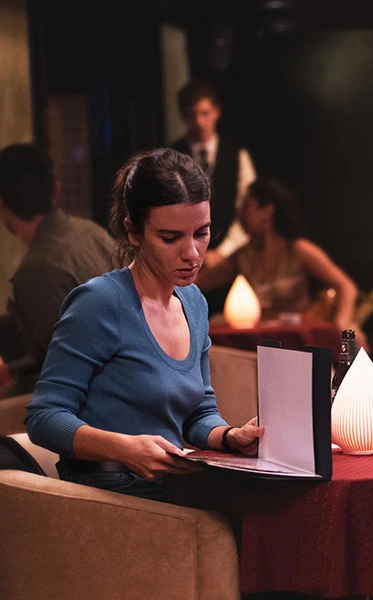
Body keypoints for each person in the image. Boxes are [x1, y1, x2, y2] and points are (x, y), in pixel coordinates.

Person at [25, 148, 263, 501]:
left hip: (171, 487)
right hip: (110, 497)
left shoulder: (193, 302)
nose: (192, 253)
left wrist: (229, 437)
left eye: (201, 233)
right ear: (133, 232)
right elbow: (44, 417)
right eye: (170, 238)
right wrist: (124, 448)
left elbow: (199, 412)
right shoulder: (99, 303)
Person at [0, 143, 116, 398]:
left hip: (101, 400)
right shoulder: (92, 231)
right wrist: (15, 369)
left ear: (2, 204)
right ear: (56, 188)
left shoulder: (35, 271)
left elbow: (71, 369)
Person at [196, 176, 360, 333]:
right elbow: (198, 283)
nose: (239, 215)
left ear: (267, 211)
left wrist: (340, 325)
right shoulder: (243, 256)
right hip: (260, 338)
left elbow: (347, 287)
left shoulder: (298, 249)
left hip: (296, 337)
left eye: (246, 207)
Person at [170, 78, 257, 313]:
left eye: (205, 113)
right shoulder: (171, 156)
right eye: (192, 115)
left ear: (216, 112)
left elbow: (247, 212)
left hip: (226, 260)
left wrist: (223, 252)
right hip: (182, 259)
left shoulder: (237, 156)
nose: (199, 121)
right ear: (183, 116)